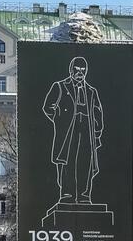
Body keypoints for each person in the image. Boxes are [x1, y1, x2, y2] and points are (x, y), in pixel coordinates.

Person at [42, 56, 104, 205]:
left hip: (86, 130)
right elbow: (48, 107)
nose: (80, 73)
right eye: (76, 70)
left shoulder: (91, 91)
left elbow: (97, 111)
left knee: (85, 162)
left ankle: (84, 196)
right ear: (71, 70)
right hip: (68, 130)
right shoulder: (60, 86)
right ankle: (67, 194)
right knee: (67, 162)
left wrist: (96, 129)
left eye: (83, 70)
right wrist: (60, 120)